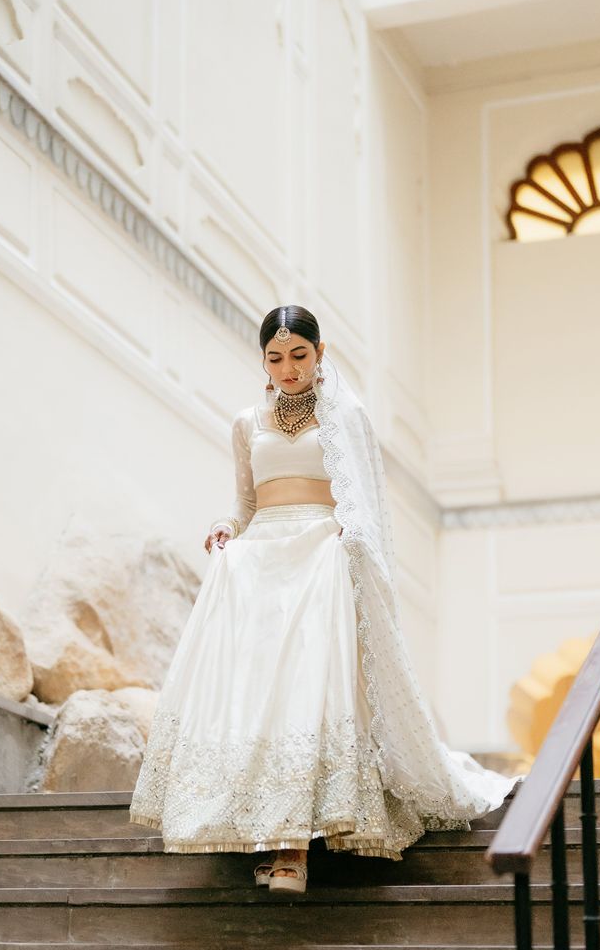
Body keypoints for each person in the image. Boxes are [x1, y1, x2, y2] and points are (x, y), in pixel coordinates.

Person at [128, 303, 522, 895]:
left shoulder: (347, 415)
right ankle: (252, 828)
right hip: (260, 565)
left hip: (320, 558)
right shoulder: (245, 422)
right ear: (263, 361)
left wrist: (348, 538)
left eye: (299, 355)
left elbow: (363, 504)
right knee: (254, 696)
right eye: (275, 357)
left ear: (320, 354)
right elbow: (246, 505)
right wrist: (226, 530)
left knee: (302, 693)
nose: (288, 368)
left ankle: (292, 854)